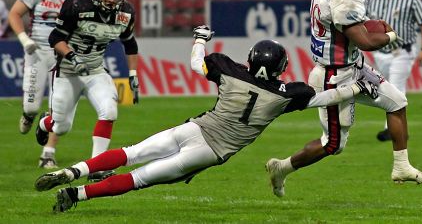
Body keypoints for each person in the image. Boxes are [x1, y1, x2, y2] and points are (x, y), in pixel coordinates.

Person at [34, 29, 378, 213]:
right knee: (139, 178)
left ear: (250, 59)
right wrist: (357, 86)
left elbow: (197, 64)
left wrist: (200, 38)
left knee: (130, 152)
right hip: (211, 150)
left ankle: (75, 169)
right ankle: (77, 194)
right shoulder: (288, 93)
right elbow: (328, 97)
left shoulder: (229, 69)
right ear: (281, 68)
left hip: (195, 127)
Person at [265, 0, 422, 198]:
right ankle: (282, 168)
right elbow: (365, 40)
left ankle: (401, 167)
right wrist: (390, 35)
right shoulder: (343, 1)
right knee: (333, 145)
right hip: (334, 76)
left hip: (354, 66)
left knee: (397, 102)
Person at [34, 0, 140, 182]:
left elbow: (130, 43)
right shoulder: (77, 6)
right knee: (61, 127)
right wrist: (73, 58)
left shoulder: (126, 12)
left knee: (109, 111)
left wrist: (133, 74)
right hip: (67, 72)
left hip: (95, 70)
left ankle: (96, 166)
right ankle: (44, 123)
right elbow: (56, 37)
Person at [8, 0, 92, 169]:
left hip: (66, 53)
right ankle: (29, 114)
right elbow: (15, 14)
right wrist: (25, 39)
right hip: (39, 50)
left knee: (60, 111)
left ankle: (48, 152)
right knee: (32, 107)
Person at [367, 0, 422, 141]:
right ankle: (401, 128)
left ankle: (390, 129)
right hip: (381, 53)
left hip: (402, 51)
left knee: (396, 87)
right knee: (387, 89)